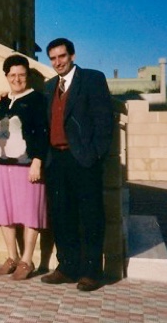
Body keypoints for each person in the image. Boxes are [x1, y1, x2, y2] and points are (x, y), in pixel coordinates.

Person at [40, 38, 113, 292]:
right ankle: (67, 267)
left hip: (83, 159)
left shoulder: (92, 79)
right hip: (56, 161)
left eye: (62, 56)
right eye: (53, 58)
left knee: (91, 216)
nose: (58, 62)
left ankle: (91, 271)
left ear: (72, 55)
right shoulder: (49, 87)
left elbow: (105, 122)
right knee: (61, 215)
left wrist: (94, 155)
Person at [0, 54, 48, 280]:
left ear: (28, 76)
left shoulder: (38, 100)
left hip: (27, 165)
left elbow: (43, 132)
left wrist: (38, 161)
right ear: (6, 76)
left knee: (30, 212)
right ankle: (12, 257)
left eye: (21, 75)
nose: (17, 79)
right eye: (13, 75)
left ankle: (27, 260)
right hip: (1, 166)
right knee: (4, 213)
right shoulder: (0, 103)